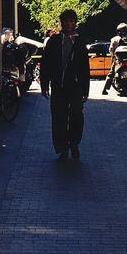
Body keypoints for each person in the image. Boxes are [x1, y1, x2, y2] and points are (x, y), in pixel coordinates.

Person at [40, 9, 90, 159]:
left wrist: (85, 90)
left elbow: (84, 68)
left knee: (76, 116)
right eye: (66, 21)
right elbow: (46, 64)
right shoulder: (53, 41)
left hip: (75, 87)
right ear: (61, 22)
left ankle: (74, 143)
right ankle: (62, 147)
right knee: (58, 117)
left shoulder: (79, 42)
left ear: (75, 23)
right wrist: (44, 85)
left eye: (71, 21)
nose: (68, 23)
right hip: (58, 86)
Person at [101, 23, 127, 95]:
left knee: (111, 74)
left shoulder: (114, 39)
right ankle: (105, 89)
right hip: (124, 60)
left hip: (119, 60)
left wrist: (113, 57)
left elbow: (111, 49)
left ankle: (105, 89)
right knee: (112, 73)